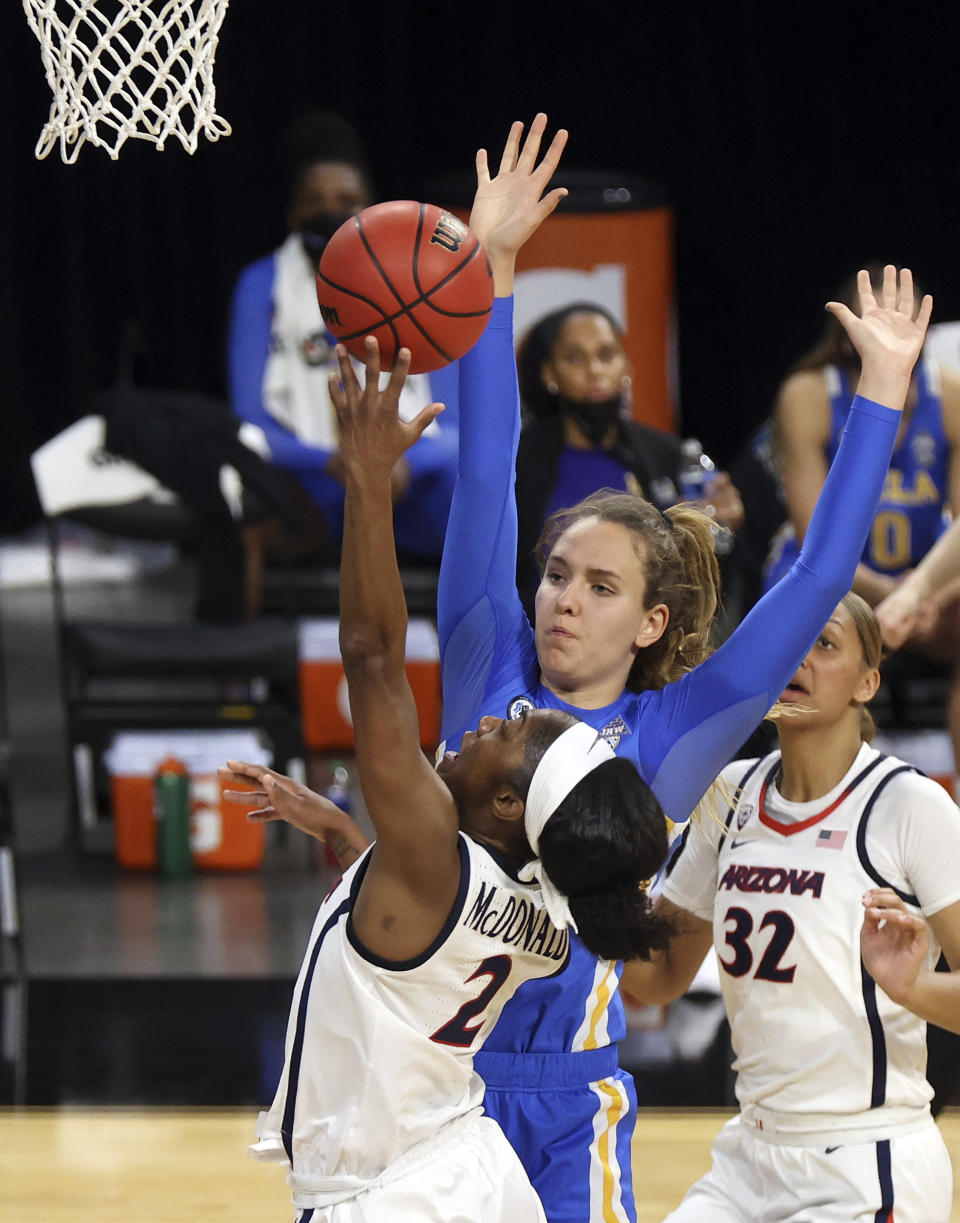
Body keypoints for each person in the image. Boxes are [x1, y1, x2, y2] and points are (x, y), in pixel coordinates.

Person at [436, 114, 933, 1223]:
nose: (562, 596)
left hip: (569, 1102)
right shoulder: (482, 654)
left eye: (598, 586)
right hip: (428, 1085)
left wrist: (882, 393)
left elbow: (812, 584)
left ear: (653, 623)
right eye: (557, 573)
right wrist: (492, 268)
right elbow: (484, 472)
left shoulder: (672, 739)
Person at [220, 335, 673, 1222]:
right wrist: (341, 832)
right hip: (466, 1167)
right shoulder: (541, 911)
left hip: (393, 1194)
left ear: (509, 803)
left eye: (514, 734)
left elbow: (374, 655)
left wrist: (366, 481)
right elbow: (404, 911)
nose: (494, 718)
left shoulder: (435, 848)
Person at [620, 593, 960, 1222]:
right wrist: (589, 897)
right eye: (788, 642)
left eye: (824, 644)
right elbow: (660, 975)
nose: (798, 657)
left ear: (868, 682)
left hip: (867, 1159)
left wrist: (913, 988)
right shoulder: (730, 791)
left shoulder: (909, 805)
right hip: (748, 1156)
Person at [227, 109, 459, 575]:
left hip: (410, 479)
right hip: (314, 481)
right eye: (314, 201)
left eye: (346, 199)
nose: (329, 212)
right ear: (293, 214)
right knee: (249, 486)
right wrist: (341, 463)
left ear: (370, 211)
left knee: (479, 482)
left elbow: (455, 428)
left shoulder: (421, 285)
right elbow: (250, 424)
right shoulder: (261, 284)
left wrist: (397, 463)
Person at [762, 267, 960, 771]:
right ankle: (804, 787)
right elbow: (817, 543)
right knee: (814, 631)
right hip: (830, 583)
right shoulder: (808, 394)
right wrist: (896, 600)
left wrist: (926, 598)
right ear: (851, 338)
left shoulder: (951, 394)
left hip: (925, 592)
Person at [514, 302, 744, 616]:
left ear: (626, 367)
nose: (594, 370)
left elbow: (706, 567)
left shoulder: (668, 455)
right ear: (549, 374)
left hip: (647, 642)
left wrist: (716, 524)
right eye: (575, 358)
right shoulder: (518, 463)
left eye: (606, 355)